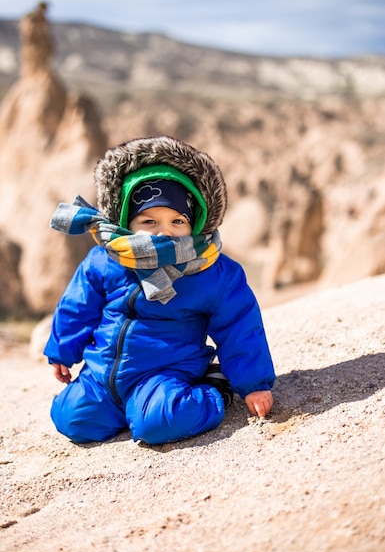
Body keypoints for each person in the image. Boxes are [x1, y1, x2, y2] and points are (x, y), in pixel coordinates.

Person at [44, 136, 275, 445]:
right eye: (149, 220)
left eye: (177, 221)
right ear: (127, 221)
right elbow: (78, 305)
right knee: (71, 418)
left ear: (195, 224)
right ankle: (124, 407)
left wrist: (253, 383)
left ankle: (212, 388)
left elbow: (240, 326)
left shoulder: (210, 270)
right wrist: (62, 349)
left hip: (165, 372)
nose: (164, 231)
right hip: (103, 372)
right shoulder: (107, 257)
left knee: (157, 423)